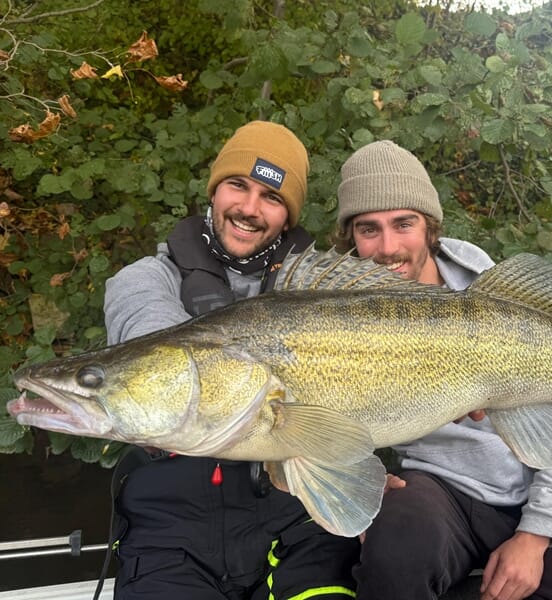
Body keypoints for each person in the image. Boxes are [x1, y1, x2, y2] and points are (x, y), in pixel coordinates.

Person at [333, 140, 552, 600]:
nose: (388, 246)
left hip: (531, 489)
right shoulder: (339, 313)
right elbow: (317, 411)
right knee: (393, 554)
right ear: (351, 236)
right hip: (435, 490)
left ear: (429, 227)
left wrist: (535, 535)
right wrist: (358, 480)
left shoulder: (501, 304)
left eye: (404, 224)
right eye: (368, 228)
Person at [102, 121, 360, 600]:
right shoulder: (143, 281)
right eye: (237, 185)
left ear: (289, 214)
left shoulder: (323, 289)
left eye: (271, 197)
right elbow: (160, 368)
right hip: (174, 524)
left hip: (296, 515)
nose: (248, 208)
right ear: (214, 190)